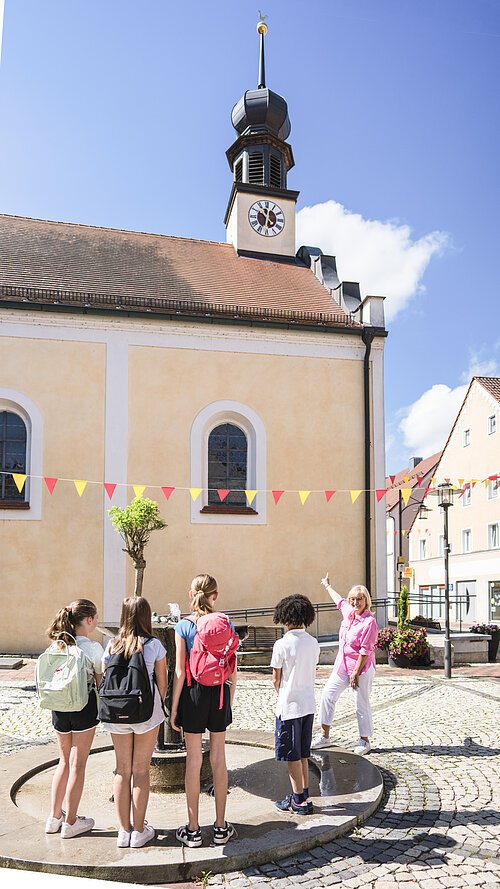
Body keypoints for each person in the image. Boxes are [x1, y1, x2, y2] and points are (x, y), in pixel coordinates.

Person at [171, 574, 237, 848]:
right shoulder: (225, 622)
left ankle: (193, 830)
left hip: (193, 693)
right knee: (219, 759)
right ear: (215, 596)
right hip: (219, 693)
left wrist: (174, 709)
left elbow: (179, 671)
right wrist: (229, 700)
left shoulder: (183, 626)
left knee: (194, 761)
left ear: (191, 595)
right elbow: (234, 667)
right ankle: (221, 827)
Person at [101, 596, 167, 848]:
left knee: (122, 770)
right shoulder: (154, 645)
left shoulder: (111, 645)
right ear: (146, 616)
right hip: (145, 714)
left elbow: (104, 680)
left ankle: (123, 830)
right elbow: (162, 683)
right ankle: (139, 832)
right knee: (141, 771)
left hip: (116, 713)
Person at [45, 599, 103, 838]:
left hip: (58, 708)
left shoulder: (56, 647)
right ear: (88, 620)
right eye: (95, 618)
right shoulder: (92, 649)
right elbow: (101, 683)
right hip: (83, 707)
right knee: (78, 765)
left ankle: (54, 817)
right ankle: (71, 822)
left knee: (64, 762)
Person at [311, 575, 378, 755]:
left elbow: (366, 650)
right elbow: (338, 600)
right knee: (327, 695)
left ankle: (364, 740)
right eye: (353, 599)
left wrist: (355, 673)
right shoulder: (348, 613)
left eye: (359, 599)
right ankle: (325, 736)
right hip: (342, 666)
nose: (355, 602)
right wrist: (327, 586)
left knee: (360, 703)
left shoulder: (369, 622)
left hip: (361, 668)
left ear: (366, 601)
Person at [271, 594, 320, 814]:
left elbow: (276, 678)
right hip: (308, 704)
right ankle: (305, 794)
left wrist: (282, 694)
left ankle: (297, 801)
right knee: (303, 754)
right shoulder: (313, 643)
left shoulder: (281, 644)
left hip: (289, 706)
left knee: (291, 755)